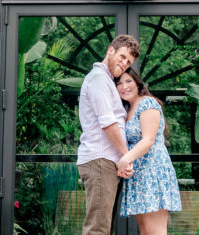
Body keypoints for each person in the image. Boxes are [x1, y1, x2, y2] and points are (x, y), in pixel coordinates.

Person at [77, 34, 140, 235]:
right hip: (99, 161)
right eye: (122, 57)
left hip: (106, 163)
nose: (124, 63)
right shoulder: (98, 78)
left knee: (104, 229)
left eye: (128, 62)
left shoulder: (106, 81)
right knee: (97, 229)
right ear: (110, 50)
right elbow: (108, 123)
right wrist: (126, 156)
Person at [114, 67, 181, 235]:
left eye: (128, 81)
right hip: (138, 174)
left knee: (155, 231)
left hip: (153, 171)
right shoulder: (128, 110)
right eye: (119, 83)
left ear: (138, 83)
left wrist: (124, 160)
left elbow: (148, 140)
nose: (124, 86)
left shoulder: (147, 103)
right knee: (145, 231)